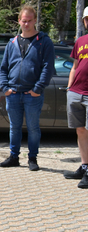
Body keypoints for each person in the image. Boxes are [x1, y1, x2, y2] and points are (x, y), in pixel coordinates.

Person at [0, 5, 55, 171]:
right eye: (24, 20)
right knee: (14, 128)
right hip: (13, 93)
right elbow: (3, 68)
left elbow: (47, 68)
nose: (27, 24)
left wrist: (38, 88)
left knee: (33, 128)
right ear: (19, 21)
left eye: (30, 20)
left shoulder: (44, 42)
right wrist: (5, 87)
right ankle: (13, 157)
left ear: (35, 20)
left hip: (33, 95)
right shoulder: (12, 43)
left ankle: (32, 158)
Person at [64, 6, 88, 189]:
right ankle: (85, 165)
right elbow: (74, 66)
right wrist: (69, 88)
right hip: (76, 92)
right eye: (87, 19)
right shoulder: (80, 41)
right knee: (80, 131)